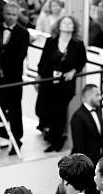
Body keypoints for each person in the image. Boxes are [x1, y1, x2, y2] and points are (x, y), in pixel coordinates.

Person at [36, 15, 87, 152]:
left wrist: (74, 71)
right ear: (59, 26)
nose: (66, 24)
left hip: (65, 84)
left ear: (73, 27)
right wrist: (39, 76)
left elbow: (82, 60)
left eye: (69, 23)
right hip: (48, 81)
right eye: (64, 22)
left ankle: (56, 140)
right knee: (44, 108)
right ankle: (49, 133)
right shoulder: (51, 41)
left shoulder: (77, 44)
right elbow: (43, 60)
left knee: (59, 111)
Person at [0, 1, 30, 155]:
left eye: (13, 15)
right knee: (0, 107)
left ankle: (17, 139)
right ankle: (2, 136)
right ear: (4, 14)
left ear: (18, 16)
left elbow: (20, 56)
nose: (10, 17)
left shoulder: (23, 33)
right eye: (8, 14)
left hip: (14, 77)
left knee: (15, 109)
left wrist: (4, 66)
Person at [69, 84, 103, 194]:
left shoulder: (98, 110)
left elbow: (102, 137)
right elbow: (79, 147)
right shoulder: (78, 117)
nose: (100, 97)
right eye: (97, 95)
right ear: (88, 96)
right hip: (87, 169)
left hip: (98, 165)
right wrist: (87, 170)